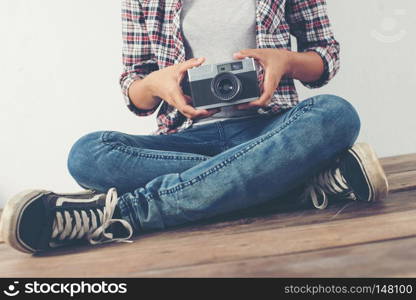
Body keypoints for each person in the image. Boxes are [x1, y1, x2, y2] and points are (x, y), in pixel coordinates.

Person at [1, 0, 388, 254]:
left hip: (271, 128)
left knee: (335, 114)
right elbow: (134, 85)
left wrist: (287, 61)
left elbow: (326, 54)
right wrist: (155, 84)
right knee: (88, 153)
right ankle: (294, 183)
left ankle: (124, 214)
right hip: (189, 138)